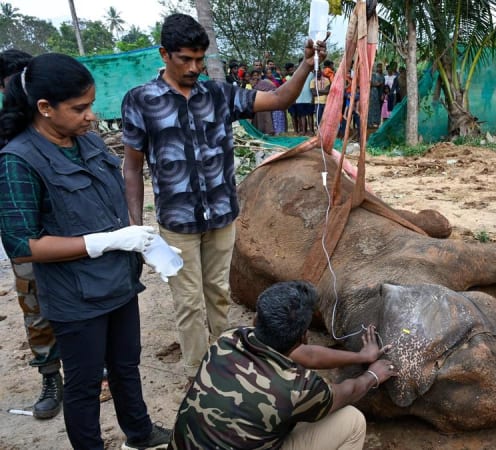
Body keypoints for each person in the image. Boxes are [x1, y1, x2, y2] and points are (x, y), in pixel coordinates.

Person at [121, 13, 327, 384]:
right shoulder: (140, 101)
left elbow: (281, 98)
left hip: (220, 217)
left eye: (200, 59)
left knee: (217, 294)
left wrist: (307, 66)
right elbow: (132, 167)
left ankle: (223, 364)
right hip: (177, 223)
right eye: (185, 59)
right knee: (188, 303)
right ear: (164, 54)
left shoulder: (219, 94)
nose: (194, 67)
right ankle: (199, 377)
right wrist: (136, 226)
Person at [0, 52, 171, 450]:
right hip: (76, 299)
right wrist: (103, 242)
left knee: (127, 367)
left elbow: (108, 200)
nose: (90, 116)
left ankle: (140, 433)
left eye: (90, 105)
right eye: (79, 108)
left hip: (118, 284)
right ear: (44, 108)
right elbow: (21, 245)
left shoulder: (88, 142)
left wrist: (139, 239)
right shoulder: (18, 161)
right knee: (84, 383)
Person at [169, 280, 396, 449]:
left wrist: (362, 356)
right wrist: (372, 376)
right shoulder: (299, 388)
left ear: (256, 320)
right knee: (352, 421)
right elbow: (349, 391)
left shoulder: (228, 339)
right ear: (303, 337)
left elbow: (306, 355)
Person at [0, 48, 63, 421]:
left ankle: (91, 365)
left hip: (66, 230)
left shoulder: (57, 122)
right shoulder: (7, 133)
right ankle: (51, 377)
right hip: (26, 239)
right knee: (36, 310)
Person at [368, 63, 384, 128]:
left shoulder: (377, 75)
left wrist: (376, 84)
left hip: (375, 92)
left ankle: (375, 122)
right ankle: (370, 122)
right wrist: (375, 84)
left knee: (376, 106)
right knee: (370, 107)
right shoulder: (369, 75)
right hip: (371, 92)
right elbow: (373, 83)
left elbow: (380, 82)